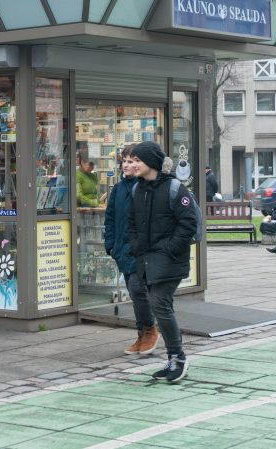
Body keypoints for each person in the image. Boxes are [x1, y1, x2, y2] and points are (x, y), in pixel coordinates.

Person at [128, 141, 198, 383]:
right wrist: (136, 246)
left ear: (151, 163)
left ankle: (178, 358)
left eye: (138, 160)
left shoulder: (175, 188)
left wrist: (169, 249)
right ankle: (173, 358)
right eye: (132, 160)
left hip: (169, 259)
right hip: (146, 258)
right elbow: (133, 223)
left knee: (160, 303)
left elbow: (188, 223)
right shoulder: (137, 189)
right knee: (154, 303)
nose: (133, 164)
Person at [104, 145, 159, 355]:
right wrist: (111, 245)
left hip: (140, 251)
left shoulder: (146, 186)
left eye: (131, 161)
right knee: (135, 293)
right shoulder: (118, 189)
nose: (127, 165)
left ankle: (150, 329)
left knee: (138, 290)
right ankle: (141, 334)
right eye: (124, 162)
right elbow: (110, 218)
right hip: (122, 251)